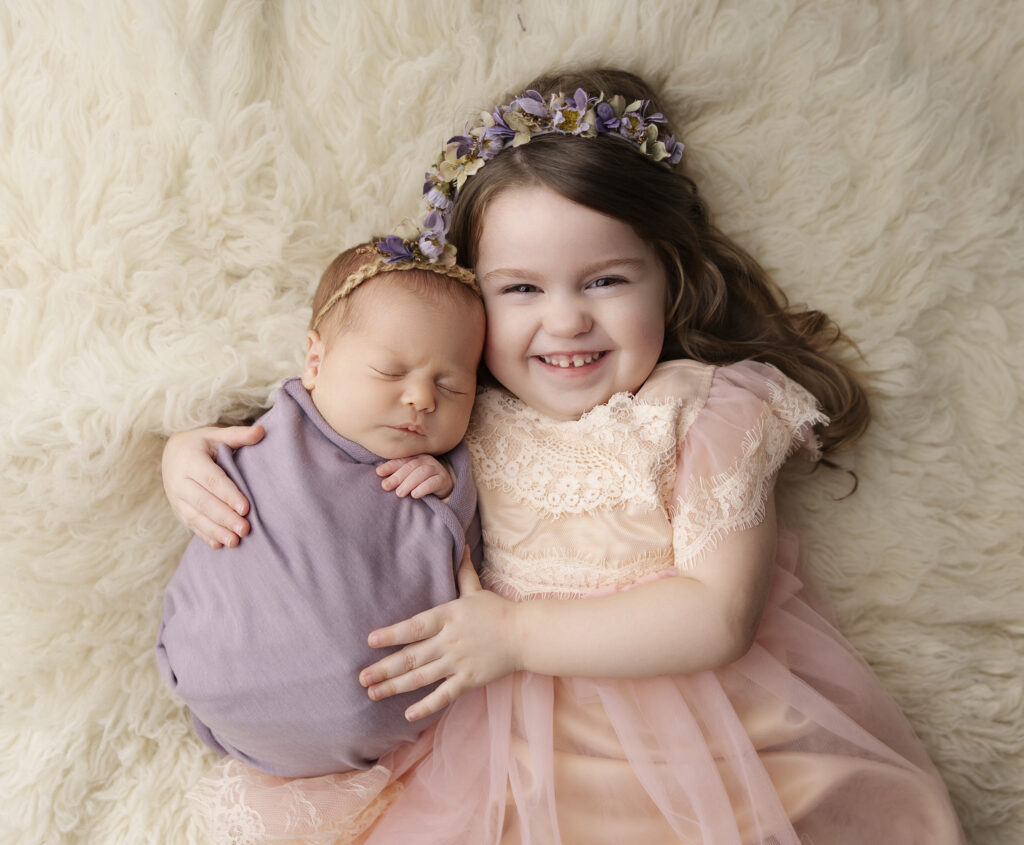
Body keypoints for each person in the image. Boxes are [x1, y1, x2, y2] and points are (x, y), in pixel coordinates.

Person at [162, 69, 965, 843]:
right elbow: (318, 441)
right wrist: (191, 454)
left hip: (701, 740)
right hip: (495, 755)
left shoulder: (708, 408)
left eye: (607, 279)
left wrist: (512, 636)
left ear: (670, 278)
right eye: (520, 290)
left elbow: (721, 615)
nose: (567, 320)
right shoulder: (455, 415)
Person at [156, 243, 486, 781]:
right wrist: (181, 452)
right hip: (210, 667)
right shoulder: (273, 430)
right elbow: (202, 463)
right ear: (315, 362)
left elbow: (468, 563)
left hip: (387, 733)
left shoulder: (442, 470)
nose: (423, 398)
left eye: (452, 385)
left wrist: (449, 486)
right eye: (390, 371)